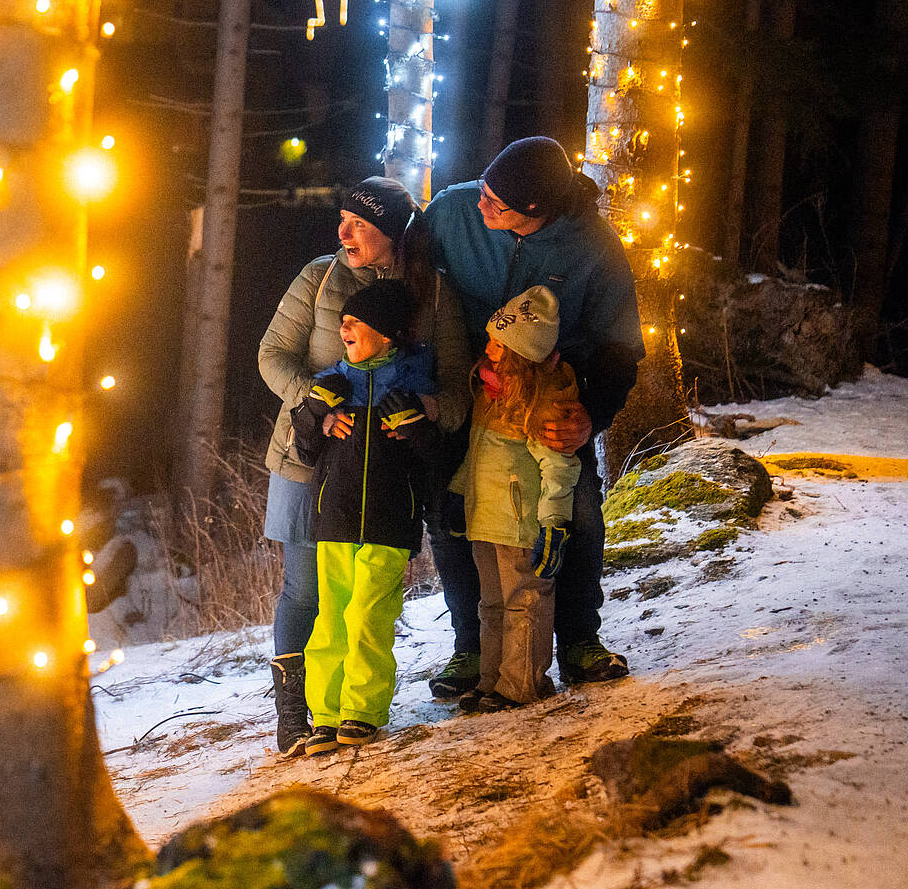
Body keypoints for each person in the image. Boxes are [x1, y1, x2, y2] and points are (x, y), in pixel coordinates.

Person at [415, 137, 645, 696]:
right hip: (468, 393)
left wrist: (591, 414)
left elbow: (622, 348)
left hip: (552, 400)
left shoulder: (593, 248)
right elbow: (409, 274)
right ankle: (472, 648)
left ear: (537, 211)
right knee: (455, 517)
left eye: (497, 202)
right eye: (484, 188)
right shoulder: (452, 211)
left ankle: (579, 641)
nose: (480, 205)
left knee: (578, 512)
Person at [256, 177, 470, 754]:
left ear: (393, 230)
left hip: (385, 473)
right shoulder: (319, 276)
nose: (343, 232)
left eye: (359, 222)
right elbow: (272, 356)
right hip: (307, 458)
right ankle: (297, 713)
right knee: (305, 590)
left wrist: (423, 411)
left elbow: (458, 391)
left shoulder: (433, 293)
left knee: (366, 597)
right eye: (342, 219)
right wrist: (318, 405)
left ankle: (355, 704)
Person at [286, 280, 442, 754]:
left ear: (389, 334)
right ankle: (326, 715)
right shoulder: (332, 383)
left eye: (359, 321)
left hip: (389, 521)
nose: (344, 326)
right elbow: (305, 452)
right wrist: (313, 412)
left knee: (369, 615)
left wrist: (416, 429)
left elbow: (435, 462)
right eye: (345, 320)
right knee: (331, 617)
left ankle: (362, 710)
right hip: (334, 519)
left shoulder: (413, 387)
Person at [450, 286, 579, 711]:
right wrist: (459, 495)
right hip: (485, 519)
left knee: (524, 601)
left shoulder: (543, 399)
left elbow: (558, 466)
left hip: (521, 523)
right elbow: (479, 454)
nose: (487, 349)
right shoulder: (491, 392)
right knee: (491, 603)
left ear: (523, 354)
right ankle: (492, 680)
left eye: (498, 344)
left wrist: (555, 523)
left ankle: (522, 683)